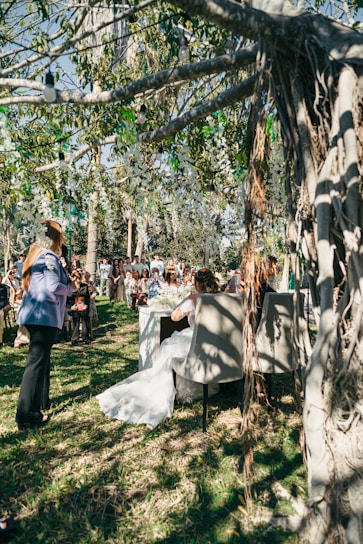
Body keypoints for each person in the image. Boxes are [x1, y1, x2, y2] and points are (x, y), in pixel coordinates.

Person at [96, 268, 219, 430]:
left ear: (196, 283)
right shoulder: (221, 298)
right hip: (215, 343)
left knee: (168, 346)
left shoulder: (194, 298)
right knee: (174, 347)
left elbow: (175, 317)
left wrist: (185, 303)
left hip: (197, 339)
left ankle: (178, 391)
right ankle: (195, 388)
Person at [15, 219, 74, 430]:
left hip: (36, 315)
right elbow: (53, 285)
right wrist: (70, 290)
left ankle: (40, 402)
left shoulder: (35, 256)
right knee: (36, 364)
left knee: (41, 361)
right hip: (44, 316)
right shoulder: (48, 256)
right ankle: (25, 413)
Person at [69, 270, 91, 345]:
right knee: (75, 317)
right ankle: (74, 338)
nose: (77, 280)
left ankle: (86, 337)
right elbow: (66, 300)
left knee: (85, 316)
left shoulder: (84, 286)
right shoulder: (69, 287)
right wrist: (71, 307)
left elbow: (88, 298)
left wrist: (86, 305)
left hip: (82, 304)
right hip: (73, 306)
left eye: (79, 278)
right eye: (75, 278)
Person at [0, 273, 11, 347]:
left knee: (0, 314)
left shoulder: (3, 288)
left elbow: (4, 301)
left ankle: (0, 340)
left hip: (2, 306)